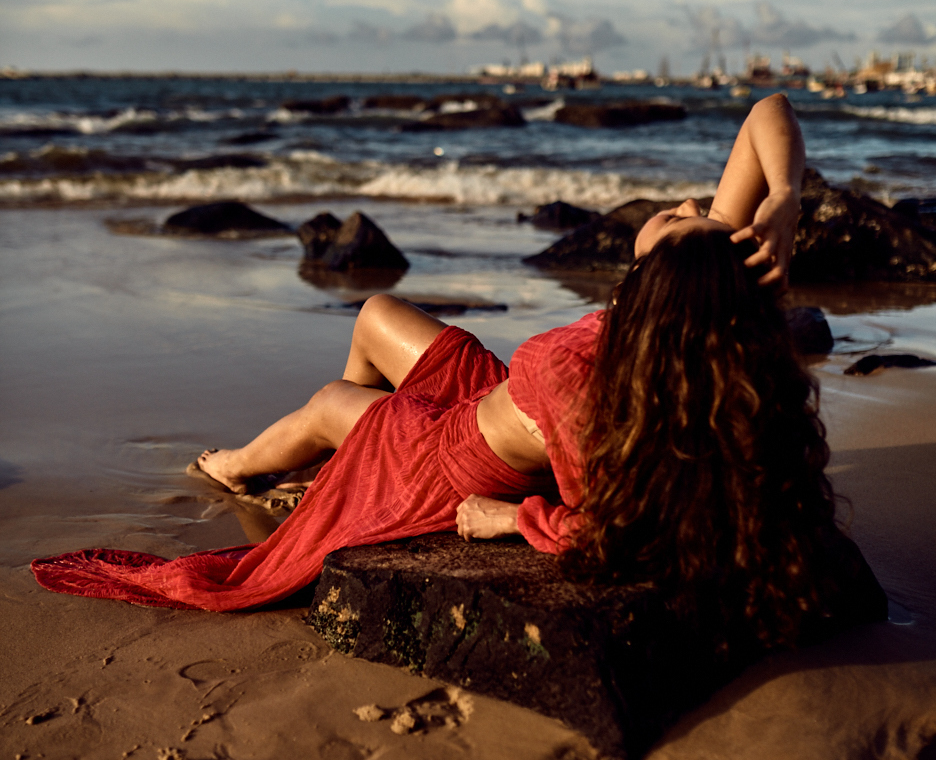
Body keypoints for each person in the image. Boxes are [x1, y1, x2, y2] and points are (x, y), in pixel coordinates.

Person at [33, 94, 834, 646]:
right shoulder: (714, 292)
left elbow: (623, 530)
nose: (690, 206)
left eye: (686, 220)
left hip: (451, 455)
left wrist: (513, 522)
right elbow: (769, 112)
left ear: (664, 279)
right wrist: (785, 200)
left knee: (333, 402)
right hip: (491, 395)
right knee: (377, 314)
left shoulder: (586, 377)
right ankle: (333, 481)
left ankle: (241, 468)